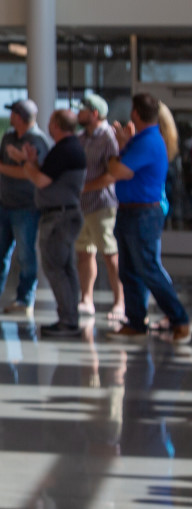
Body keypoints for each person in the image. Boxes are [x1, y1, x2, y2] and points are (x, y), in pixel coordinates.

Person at [100, 93, 189, 343]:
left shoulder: (148, 141)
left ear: (135, 113)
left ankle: (179, 319)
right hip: (130, 210)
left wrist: (113, 158)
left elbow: (118, 170)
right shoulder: (140, 140)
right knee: (130, 270)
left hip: (143, 213)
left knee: (147, 268)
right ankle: (136, 322)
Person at [0, 99, 50, 315]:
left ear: (20, 117)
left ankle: (24, 300)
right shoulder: (8, 137)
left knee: (25, 255)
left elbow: (28, 173)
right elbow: (1, 163)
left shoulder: (37, 141)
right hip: (5, 204)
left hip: (27, 207)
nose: (10, 117)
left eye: (12, 113)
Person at [21, 110, 88, 337]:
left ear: (57, 125)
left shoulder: (64, 149)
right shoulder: (70, 148)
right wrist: (33, 162)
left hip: (58, 217)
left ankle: (67, 320)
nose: (48, 126)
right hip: (66, 214)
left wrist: (27, 166)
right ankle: (69, 317)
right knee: (66, 268)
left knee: (56, 268)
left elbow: (40, 180)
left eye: (50, 122)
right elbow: (49, 175)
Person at [76, 94, 124, 321]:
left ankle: (119, 301)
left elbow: (112, 175)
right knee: (84, 252)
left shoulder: (109, 138)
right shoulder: (80, 138)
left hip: (102, 205)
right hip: (81, 206)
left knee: (109, 253)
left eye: (82, 110)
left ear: (94, 113)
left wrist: (86, 187)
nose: (78, 114)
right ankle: (86, 298)